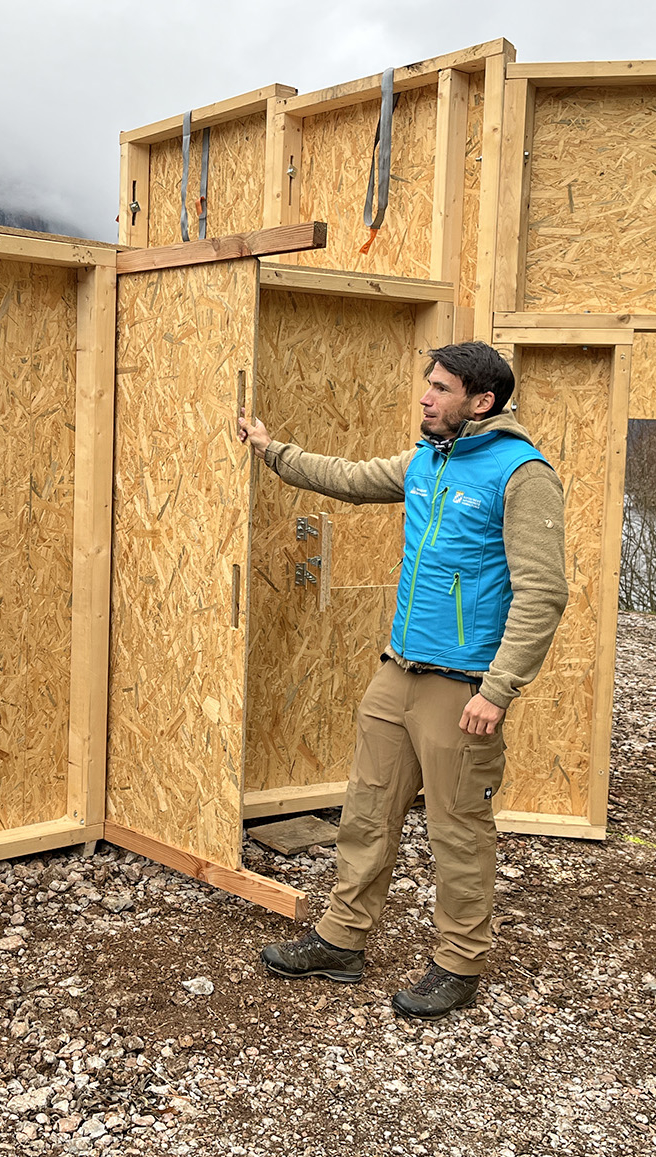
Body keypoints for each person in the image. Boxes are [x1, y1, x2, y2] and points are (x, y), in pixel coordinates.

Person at [239, 341, 568, 1020]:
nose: (425, 396)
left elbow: (543, 592)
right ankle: (342, 939)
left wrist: (498, 688)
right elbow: (350, 476)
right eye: (428, 384)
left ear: (482, 401)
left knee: (458, 830)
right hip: (399, 671)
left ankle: (459, 961)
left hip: (463, 685)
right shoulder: (427, 461)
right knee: (367, 811)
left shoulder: (522, 474)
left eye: (441, 388)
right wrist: (274, 450)